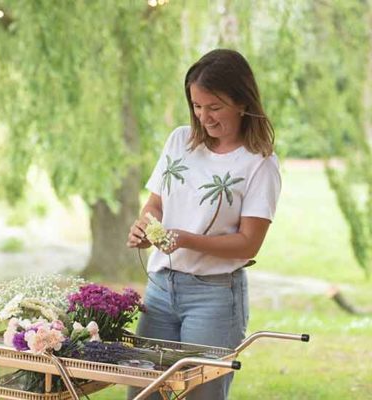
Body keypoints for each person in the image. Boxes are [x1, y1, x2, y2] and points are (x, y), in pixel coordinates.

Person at [126, 48, 281, 400]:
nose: (204, 116)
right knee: (143, 393)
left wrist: (184, 239)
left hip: (214, 297)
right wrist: (144, 227)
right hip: (161, 289)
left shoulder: (260, 163)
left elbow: (248, 243)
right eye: (197, 106)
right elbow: (156, 204)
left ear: (242, 102)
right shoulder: (180, 140)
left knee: (202, 395)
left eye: (214, 107)